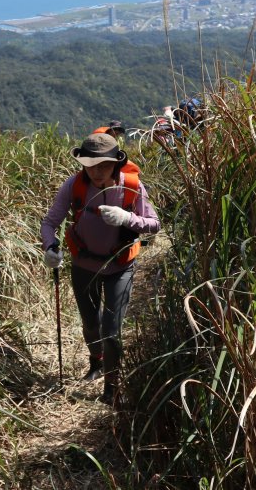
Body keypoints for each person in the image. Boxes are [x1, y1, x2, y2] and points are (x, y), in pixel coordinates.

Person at [40, 132, 162, 404]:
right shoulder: (74, 186)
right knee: (90, 323)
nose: (97, 172)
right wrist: (50, 247)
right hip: (83, 263)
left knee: (111, 329)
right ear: (82, 164)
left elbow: (154, 224)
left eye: (104, 165)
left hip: (120, 265)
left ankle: (112, 386)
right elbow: (49, 223)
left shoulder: (131, 186)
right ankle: (96, 363)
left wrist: (127, 217)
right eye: (91, 165)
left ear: (116, 163)